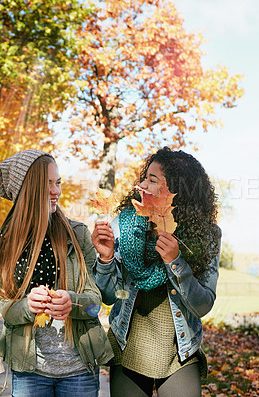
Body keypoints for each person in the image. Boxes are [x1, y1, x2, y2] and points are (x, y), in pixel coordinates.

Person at [92, 147, 221, 397]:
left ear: (177, 189)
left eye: (152, 180)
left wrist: (176, 262)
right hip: (128, 347)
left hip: (179, 352)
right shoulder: (123, 225)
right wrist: (106, 259)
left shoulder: (206, 235)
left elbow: (203, 306)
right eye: (145, 177)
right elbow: (107, 297)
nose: (141, 185)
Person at [0, 149, 113, 397]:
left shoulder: (78, 235)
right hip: (29, 373)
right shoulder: (6, 243)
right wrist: (27, 307)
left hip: (79, 372)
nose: (57, 191)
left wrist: (73, 303)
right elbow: (3, 308)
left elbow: (97, 303)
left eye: (58, 182)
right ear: (27, 190)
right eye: (47, 184)